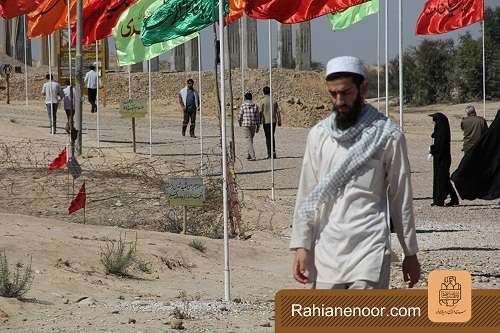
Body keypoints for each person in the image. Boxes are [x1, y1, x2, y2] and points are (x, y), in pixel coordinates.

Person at [290, 56, 420, 290]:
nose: (339, 101)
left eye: (346, 93)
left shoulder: (388, 136)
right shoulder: (319, 135)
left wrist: (409, 252)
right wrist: (302, 246)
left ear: (363, 89)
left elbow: (401, 198)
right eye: (333, 94)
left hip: (369, 248)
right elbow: (307, 194)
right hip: (327, 249)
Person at [429, 113, 460, 207]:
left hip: (442, 158)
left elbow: (441, 145)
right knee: (444, 179)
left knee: (441, 179)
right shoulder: (440, 129)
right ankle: (453, 198)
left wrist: (433, 149)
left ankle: (440, 199)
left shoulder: (442, 130)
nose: (434, 122)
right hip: (440, 157)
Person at [260, 86, 281, 159]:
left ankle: (269, 153)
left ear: (263, 92)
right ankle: (273, 152)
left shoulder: (262, 101)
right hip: (273, 121)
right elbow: (278, 111)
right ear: (269, 91)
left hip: (266, 121)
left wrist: (259, 121)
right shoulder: (274, 100)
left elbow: (260, 112)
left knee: (268, 137)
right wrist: (279, 120)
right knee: (272, 136)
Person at [238, 92, 260, 161]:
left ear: (245, 98)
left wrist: (240, 123)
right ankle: (249, 154)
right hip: (253, 124)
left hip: (246, 124)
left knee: (248, 140)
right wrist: (258, 126)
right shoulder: (255, 106)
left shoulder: (243, 105)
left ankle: (253, 156)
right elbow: (257, 117)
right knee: (250, 140)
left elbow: (240, 116)